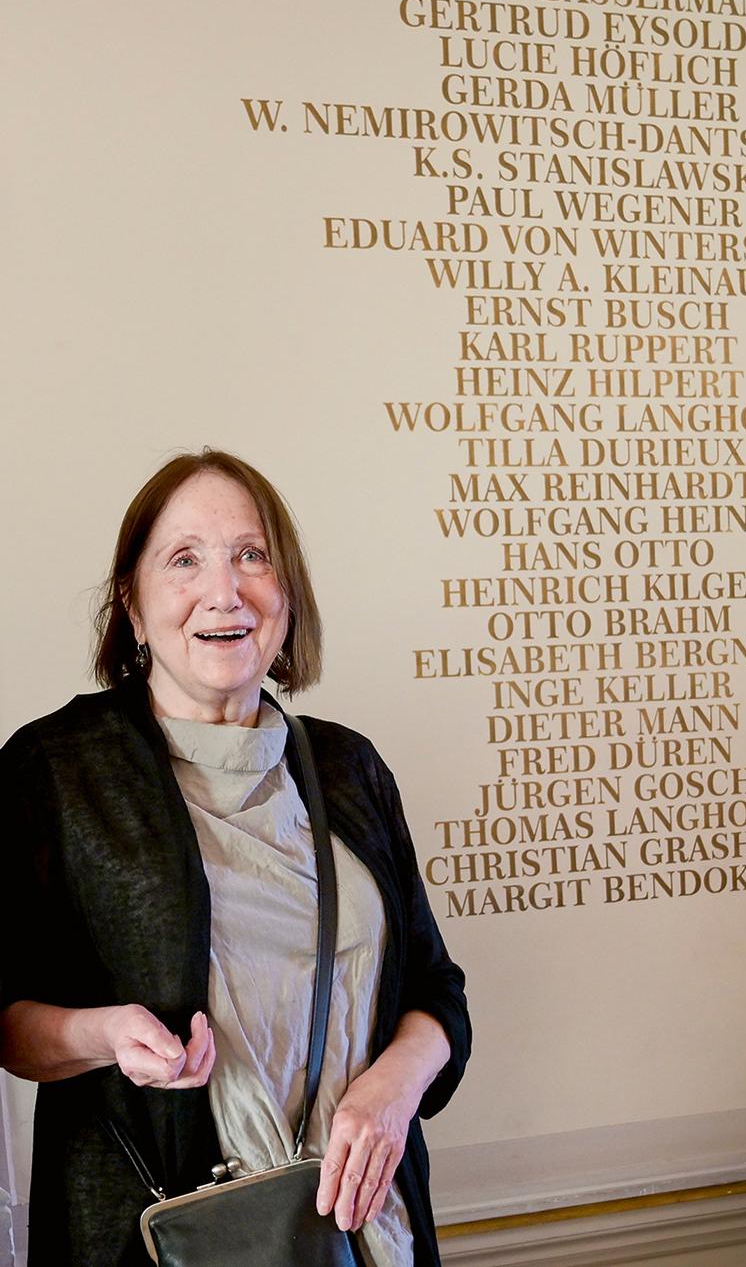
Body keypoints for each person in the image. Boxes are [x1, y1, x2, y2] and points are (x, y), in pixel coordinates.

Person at [0, 449, 470, 1267]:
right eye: (184, 559)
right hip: (156, 1239)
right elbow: (5, 1019)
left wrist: (391, 1094)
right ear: (133, 606)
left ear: (286, 592)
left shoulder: (346, 767)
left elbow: (436, 993)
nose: (226, 591)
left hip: (365, 1228)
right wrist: (108, 1034)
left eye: (252, 555)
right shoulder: (60, 771)